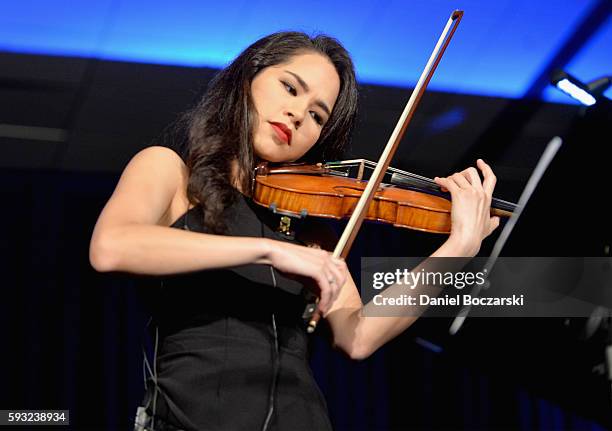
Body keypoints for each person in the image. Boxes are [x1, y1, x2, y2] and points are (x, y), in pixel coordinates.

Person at [89, 31, 499, 431]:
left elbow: (358, 337)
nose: (299, 114)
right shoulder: (170, 172)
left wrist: (459, 246)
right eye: (290, 88)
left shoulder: (308, 229)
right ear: (247, 77)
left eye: (318, 115)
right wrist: (267, 251)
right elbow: (111, 247)